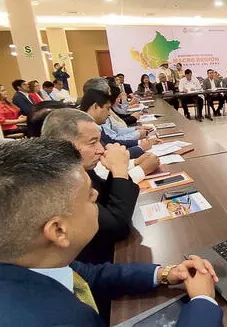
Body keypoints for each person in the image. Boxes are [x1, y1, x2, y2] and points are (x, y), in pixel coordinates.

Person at [0, 138, 223, 327]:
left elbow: (85, 274)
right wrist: (202, 302)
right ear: (57, 230)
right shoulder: (60, 319)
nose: (97, 194)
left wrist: (165, 273)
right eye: (89, 196)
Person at [41, 107, 152, 266]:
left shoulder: (79, 168)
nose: (101, 149)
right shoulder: (60, 182)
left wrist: (116, 170)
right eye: (93, 142)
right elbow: (117, 229)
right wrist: (120, 171)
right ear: (62, 145)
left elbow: (105, 200)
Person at [78, 89, 148, 159]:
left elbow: (109, 141)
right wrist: (140, 148)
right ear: (96, 106)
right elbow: (108, 149)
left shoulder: (94, 124)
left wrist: (140, 142)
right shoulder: (85, 129)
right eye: (107, 109)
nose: (109, 114)